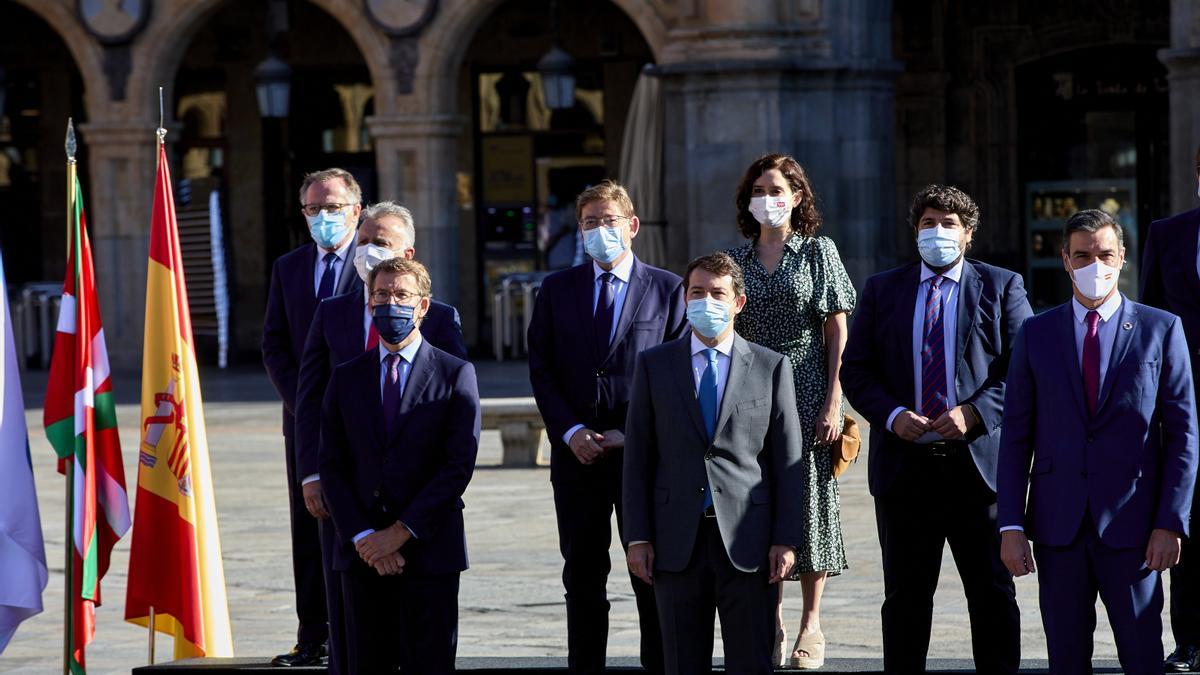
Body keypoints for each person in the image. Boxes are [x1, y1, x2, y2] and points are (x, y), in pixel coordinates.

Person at [997, 208, 1198, 675]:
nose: (1095, 264)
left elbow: (1185, 434)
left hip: (1135, 528)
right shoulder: (1036, 333)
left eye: (1105, 254)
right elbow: (1016, 436)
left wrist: (1171, 521)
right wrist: (1011, 524)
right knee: (1066, 661)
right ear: (1065, 260)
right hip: (1058, 527)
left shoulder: (1161, 328)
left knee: (1142, 658)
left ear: (1122, 257)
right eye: (1083, 255)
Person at [841, 185, 1029, 674]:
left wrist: (976, 412)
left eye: (949, 224)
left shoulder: (1001, 286)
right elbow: (856, 368)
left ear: (968, 235)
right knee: (905, 599)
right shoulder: (883, 289)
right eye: (928, 223)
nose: (937, 233)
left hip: (978, 470)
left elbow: (1025, 368)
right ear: (915, 231)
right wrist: (890, 414)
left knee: (991, 595)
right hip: (905, 470)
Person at [293, 200, 467, 674]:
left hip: (426, 537)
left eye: (381, 242)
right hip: (359, 536)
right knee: (359, 656)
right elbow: (325, 438)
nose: (390, 303)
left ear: (422, 303)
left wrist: (400, 532)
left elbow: (456, 458)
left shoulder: (452, 360)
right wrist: (367, 536)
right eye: (381, 296)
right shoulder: (342, 357)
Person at [527, 180, 686, 674]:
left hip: (642, 456)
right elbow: (542, 366)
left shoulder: (667, 288)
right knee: (582, 573)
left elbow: (674, 369)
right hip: (577, 455)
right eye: (590, 222)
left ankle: (659, 664)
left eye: (609, 220)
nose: (600, 230)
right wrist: (569, 431)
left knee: (651, 569)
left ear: (632, 226)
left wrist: (631, 432)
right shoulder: (557, 288)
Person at [622, 252, 804, 675]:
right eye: (697, 292)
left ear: (738, 302)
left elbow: (787, 460)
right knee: (683, 663)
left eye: (717, 293)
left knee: (750, 662)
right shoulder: (654, 365)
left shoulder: (771, 365)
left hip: (748, 542)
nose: (706, 301)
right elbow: (638, 459)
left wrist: (786, 538)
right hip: (675, 542)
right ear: (685, 298)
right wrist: (637, 537)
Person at [724, 153, 855, 668]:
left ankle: (810, 624)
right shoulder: (735, 261)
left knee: (808, 500)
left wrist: (833, 396)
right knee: (760, 502)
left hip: (806, 387)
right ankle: (771, 621)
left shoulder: (818, 252)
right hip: (751, 391)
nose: (767, 199)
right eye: (758, 189)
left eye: (777, 189)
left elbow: (837, 329)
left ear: (798, 197)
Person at [262, 167, 363, 667]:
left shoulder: (375, 265)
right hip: (304, 421)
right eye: (314, 209)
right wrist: (306, 405)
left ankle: (360, 628)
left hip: (366, 419)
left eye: (333, 207)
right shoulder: (289, 267)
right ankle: (314, 634)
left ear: (356, 210)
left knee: (360, 518)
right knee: (309, 523)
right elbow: (274, 345)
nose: (324, 217)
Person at [1139, 144, 1200, 673]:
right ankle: (1191, 640)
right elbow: (1151, 319)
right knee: (1186, 521)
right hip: (1186, 405)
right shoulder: (1170, 233)